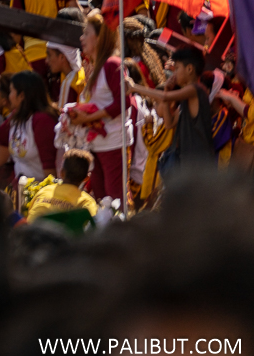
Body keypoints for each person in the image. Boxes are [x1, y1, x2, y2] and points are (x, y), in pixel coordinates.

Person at [127, 44, 215, 175]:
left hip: (199, 162)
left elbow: (164, 97)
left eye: (177, 68)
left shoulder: (195, 90)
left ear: (189, 69)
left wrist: (134, 87)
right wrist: (167, 89)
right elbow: (169, 123)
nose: (175, 73)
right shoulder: (187, 97)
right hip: (188, 162)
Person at [74, 11, 130, 200]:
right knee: (99, 197)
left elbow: (123, 102)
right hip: (96, 143)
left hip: (113, 143)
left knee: (115, 198)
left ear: (99, 38)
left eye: (86, 33)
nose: (81, 38)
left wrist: (88, 117)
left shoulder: (112, 64)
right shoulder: (96, 66)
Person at [26, 149, 98, 219]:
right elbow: (94, 222)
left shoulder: (43, 191)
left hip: (31, 227)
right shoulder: (86, 201)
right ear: (87, 178)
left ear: (61, 173)